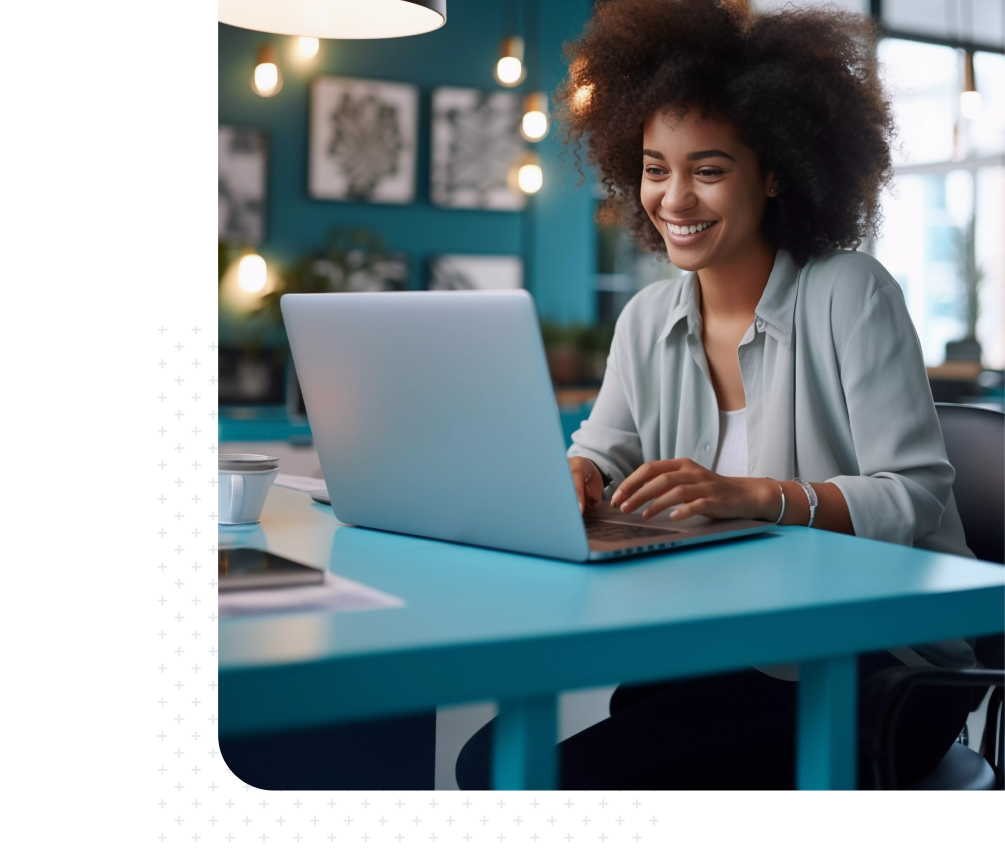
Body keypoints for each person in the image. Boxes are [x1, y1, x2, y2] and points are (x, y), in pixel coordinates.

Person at [457, 0, 976, 790]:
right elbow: (602, 444)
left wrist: (755, 496)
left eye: (708, 170)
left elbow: (910, 498)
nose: (673, 199)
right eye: (655, 169)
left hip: (877, 672)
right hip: (729, 648)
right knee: (487, 760)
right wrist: (578, 474)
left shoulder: (849, 293)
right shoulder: (648, 317)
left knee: (528, 774)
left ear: (774, 172)